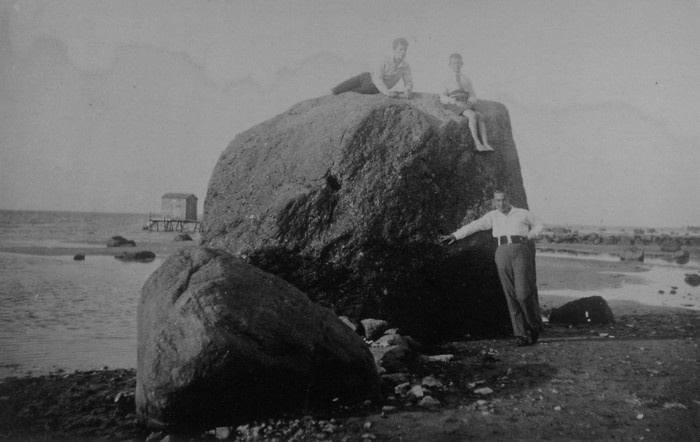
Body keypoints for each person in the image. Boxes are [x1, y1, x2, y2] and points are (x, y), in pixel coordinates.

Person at [438, 189, 544, 346]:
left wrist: (531, 234)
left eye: (504, 200)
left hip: (521, 250)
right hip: (501, 252)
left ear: (509, 200)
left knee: (523, 294)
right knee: (510, 295)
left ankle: (534, 327)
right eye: (498, 201)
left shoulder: (522, 213)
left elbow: (540, 224)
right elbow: (475, 225)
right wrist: (455, 235)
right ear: (494, 202)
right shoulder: (492, 216)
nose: (501, 204)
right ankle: (521, 334)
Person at [439, 53, 493, 152]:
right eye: (454, 63)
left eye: (458, 63)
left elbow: (473, 94)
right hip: (454, 103)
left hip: (465, 102)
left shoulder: (466, 79)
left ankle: (485, 143)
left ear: (462, 64)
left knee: (480, 116)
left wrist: (470, 102)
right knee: (472, 115)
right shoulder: (446, 79)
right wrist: (453, 101)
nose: (456, 66)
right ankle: (477, 143)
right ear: (450, 65)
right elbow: (442, 96)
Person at [330, 37, 413, 99]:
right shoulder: (385, 60)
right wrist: (387, 92)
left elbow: (408, 82)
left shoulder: (405, 67)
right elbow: (378, 77)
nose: (404, 52)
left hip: (374, 87)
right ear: (394, 49)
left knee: (349, 94)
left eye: (405, 49)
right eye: (401, 49)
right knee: (337, 89)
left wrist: (408, 90)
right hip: (366, 76)